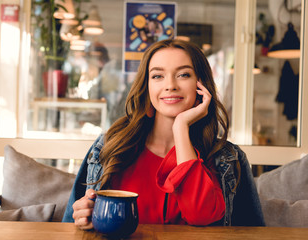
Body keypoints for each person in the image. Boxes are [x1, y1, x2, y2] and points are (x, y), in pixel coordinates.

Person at [62, 39, 265, 228]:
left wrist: (181, 127)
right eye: (158, 76)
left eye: (183, 74)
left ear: (201, 85)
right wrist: (83, 217)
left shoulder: (228, 159)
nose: (170, 85)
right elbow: (71, 224)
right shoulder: (108, 147)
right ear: (147, 86)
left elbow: (203, 216)